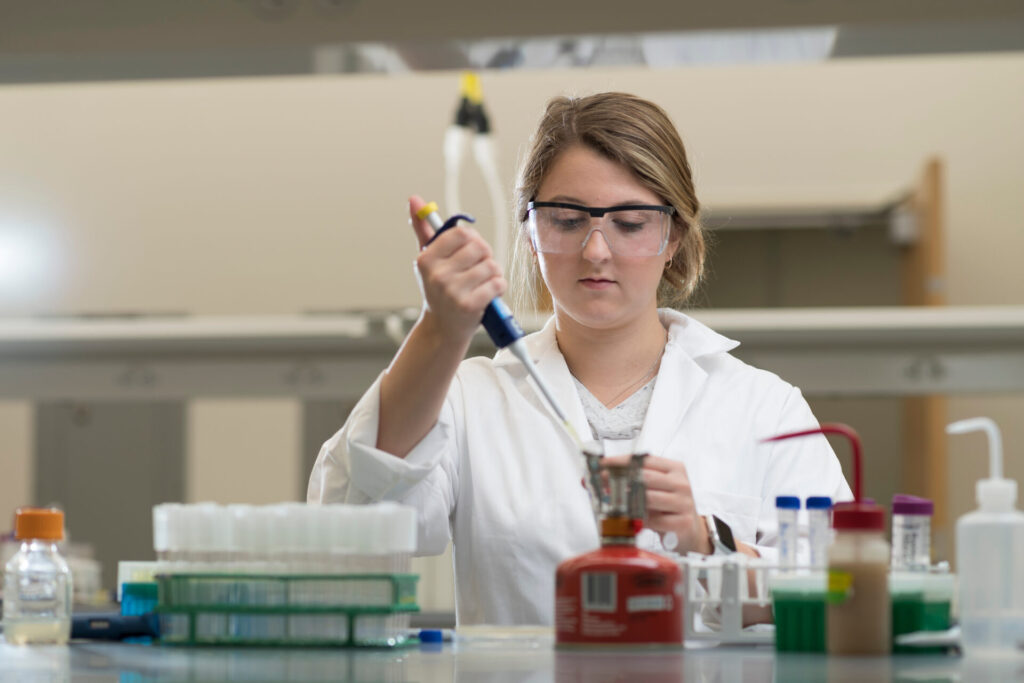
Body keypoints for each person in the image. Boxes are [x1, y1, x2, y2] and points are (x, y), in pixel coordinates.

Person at [308, 92, 852, 626]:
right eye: (567, 220)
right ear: (529, 232)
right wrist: (440, 330)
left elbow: (839, 597)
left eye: (631, 223)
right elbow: (347, 534)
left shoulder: (764, 406)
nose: (596, 250)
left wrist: (708, 542)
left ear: (674, 238)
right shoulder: (468, 398)